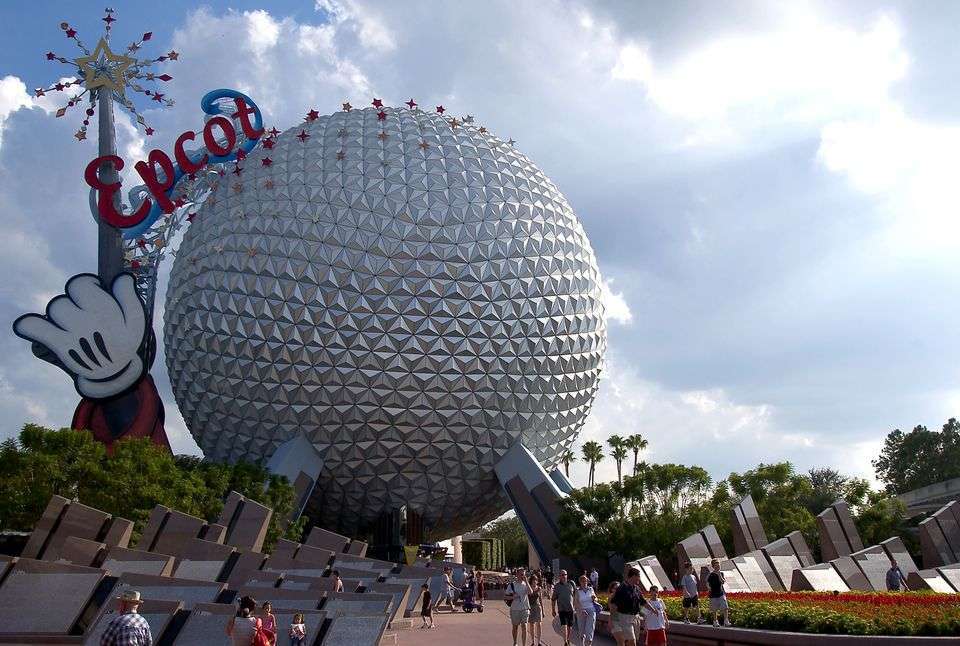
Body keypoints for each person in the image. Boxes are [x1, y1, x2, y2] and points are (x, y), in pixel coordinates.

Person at [609, 567, 649, 646]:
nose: (640, 578)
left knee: (632, 641)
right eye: (639, 576)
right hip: (622, 618)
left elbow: (642, 601)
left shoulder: (637, 589)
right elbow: (613, 606)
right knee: (626, 641)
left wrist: (653, 610)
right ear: (633, 576)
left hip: (635, 618)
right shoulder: (621, 589)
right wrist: (611, 620)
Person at [505, 567, 531, 646]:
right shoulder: (512, 585)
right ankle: (515, 642)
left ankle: (524, 644)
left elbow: (530, 592)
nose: (522, 576)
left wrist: (527, 581)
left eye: (524, 574)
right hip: (515, 609)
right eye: (521, 574)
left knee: (524, 627)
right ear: (517, 575)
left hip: (525, 608)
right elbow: (505, 597)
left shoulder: (526, 584)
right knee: (515, 627)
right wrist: (513, 597)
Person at [551, 569, 577, 646]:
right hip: (562, 609)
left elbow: (575, 595)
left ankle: (568, 639)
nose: (564, 576)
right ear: (559, 576)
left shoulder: (571, 584)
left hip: (570, 609)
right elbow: (553, 599)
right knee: (564, 625)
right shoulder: (557, 586)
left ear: (567, 575)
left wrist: (575, 605)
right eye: (562, 575)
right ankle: (565, 641)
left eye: (565, 574)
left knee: (570, 626)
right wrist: (553, 610)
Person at [574, 574, 600, 646]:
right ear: (580, 582)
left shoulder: (591, 589)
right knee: (581, 630)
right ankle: (581, 643)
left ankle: (588, 644)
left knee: (589, 630)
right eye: (582, 581)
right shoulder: (578, 590)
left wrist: (594, 598)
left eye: (585, 581)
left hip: (591, 610)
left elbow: (596, 599)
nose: (584, 582)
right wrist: (582, 610)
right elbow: (576, 602)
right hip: (581, 611)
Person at [706, 560, 730, 627]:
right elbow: (707, 582)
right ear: (713, 567)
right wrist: (708, 587)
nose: (718, 567)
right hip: (713, 594)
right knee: (714, 609)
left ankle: (726, 620)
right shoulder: (711, 574)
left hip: (721, 593)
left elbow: (723, 582)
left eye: (718, 565)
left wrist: (719, 575)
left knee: (725, 607)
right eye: (716, 566)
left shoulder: (721, 573)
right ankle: (715, 621)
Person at [528, 573, 544, 646]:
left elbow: (540, 599)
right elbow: (529, 596)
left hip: (538, 607)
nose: (535, 581)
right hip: (531, 607)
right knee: (532, 624)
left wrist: (543, 611)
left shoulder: (539, 588)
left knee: (539, 624)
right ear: (531, 581)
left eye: (536, 580)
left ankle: (539, 642)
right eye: (533, 580)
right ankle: (533, 642)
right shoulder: (529, 588)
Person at [607, 581, 624, 646]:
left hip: (624, 621)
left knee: (622, 641)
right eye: (615, 588)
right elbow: (611, 610)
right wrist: (610, 621)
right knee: (620, 641)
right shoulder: (611, 597)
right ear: (612, 589)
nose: (618, 590)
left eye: (619, 588)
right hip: (615, 621)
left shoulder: (623, 596)